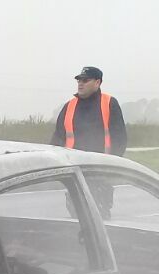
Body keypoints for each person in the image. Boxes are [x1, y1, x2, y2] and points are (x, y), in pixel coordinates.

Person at [49, 66, 127, 217]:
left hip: (100, 175)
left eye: (85, 80)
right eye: (79, 80)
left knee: (100, 220)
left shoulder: (109, 103)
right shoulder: (69, 106)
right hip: (74, 175)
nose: (80, 83)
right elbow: (57, 139)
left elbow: (119, 139)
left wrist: (109, 169)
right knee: (75, 220)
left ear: (97, 82)